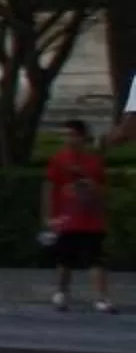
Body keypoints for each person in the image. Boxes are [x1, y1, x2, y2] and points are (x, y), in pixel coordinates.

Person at [47, 120, 112, 314]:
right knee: (65, 260)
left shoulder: (93, 162)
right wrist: (50, 216)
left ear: (83, 137)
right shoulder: (58, 160)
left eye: (73, 135)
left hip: (91, 220)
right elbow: (50, 188)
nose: (69, 139)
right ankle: (61, 292)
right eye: (66, 135)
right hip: (67, 219)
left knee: (96, 260)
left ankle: (101, 298)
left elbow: (102, 189)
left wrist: (90, 186)